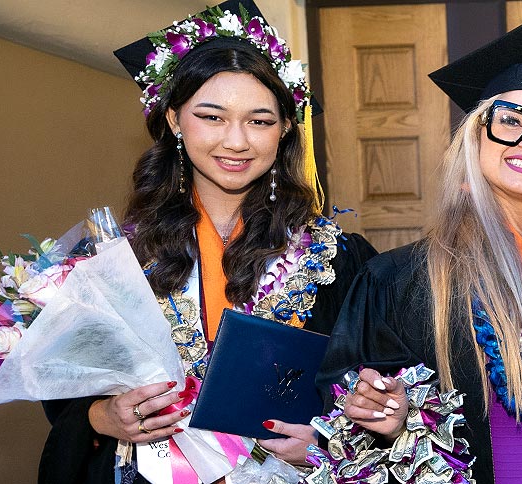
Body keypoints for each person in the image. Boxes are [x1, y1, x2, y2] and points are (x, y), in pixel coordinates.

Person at [38, 1, 378, 482]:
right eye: (212, 117)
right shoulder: (115, 259)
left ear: (285, 129)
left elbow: (374, 389)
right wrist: (102, 417)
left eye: (260, 120)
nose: (236, 141)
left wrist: (326, 441)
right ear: (175, 119)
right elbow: (65, 398)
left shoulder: (339, 259)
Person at [315, 18, 522, 483]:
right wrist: (388, 417)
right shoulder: (404, 282)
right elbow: (343, 423)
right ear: (475, 137)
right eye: (509, 121)